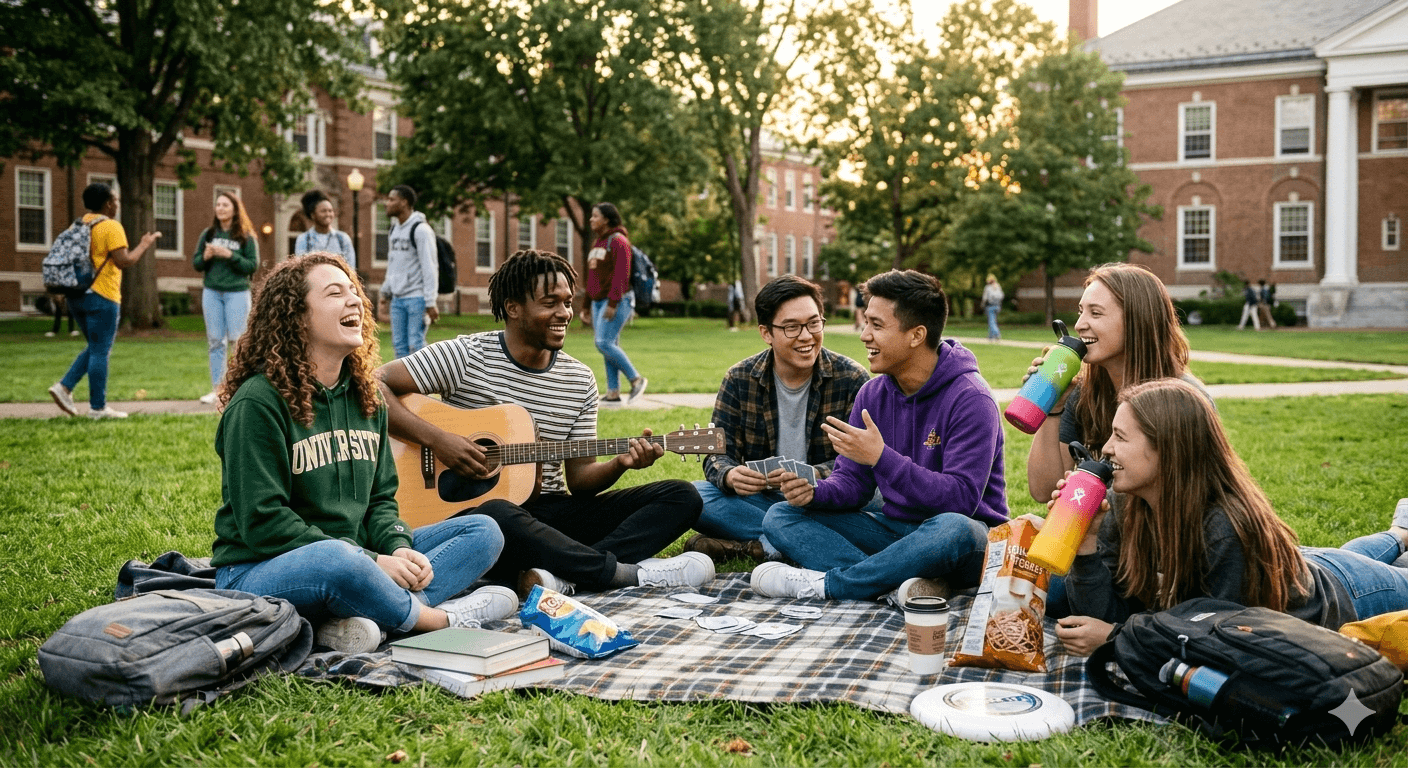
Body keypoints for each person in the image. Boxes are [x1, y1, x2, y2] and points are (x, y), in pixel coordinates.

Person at [210, 253, 513, 655]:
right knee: (337, 558)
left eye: (355, 292)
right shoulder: (258, 403)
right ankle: (434, 620)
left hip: (356, 558)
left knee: (483, 530)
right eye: (335, 293)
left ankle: (359, 621)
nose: (354, 300)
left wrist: (397, 545)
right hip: (257, 572)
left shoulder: (367, 398)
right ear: (296, 316)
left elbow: (381, 500)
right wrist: (370, 560)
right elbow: (263, 522)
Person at [378, 248, 712, 597]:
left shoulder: (580, 380)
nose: (564, 313)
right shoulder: (466, 356)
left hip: (551, 513)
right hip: (478, 517)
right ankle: (609, 572)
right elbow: (373, 384)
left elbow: (580, 481)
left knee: (681, 496)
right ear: (513, 307)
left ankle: (560, 573)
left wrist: (620, 464)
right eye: (550, 302)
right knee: (498, 514)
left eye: (568, 302)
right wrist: (438, 439)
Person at [1045, 378, 1408, 656]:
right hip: (1297, 566)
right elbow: (1105, 613)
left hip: (1348, 594)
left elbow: (1220, 641)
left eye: (1121, 437)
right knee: (1351, 552)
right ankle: (1401, 532)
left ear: (1169, 450)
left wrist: (1115, 638)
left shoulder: (1226, 528)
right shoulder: (1125, 505)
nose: (1106, 448)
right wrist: (1086, 543)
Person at [751, 270, 1008, 603]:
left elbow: (960, 500)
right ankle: (893, 584)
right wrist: (815, 493)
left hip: (965, 544)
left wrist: (881, 457)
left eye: (876, 325)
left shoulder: (971, 398)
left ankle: (834, 585)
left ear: (916, 335)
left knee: (954, 528)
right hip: (897, 532)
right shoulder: (872, 395)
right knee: (781, 516)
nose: (864, 335)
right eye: (866, 323)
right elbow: (853, 486)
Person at [685, 275, 870, 564]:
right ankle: (787, 539)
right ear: (766, 333)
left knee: (874, 504)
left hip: (822, 501)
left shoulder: (851, 378)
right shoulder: (739, 378)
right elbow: (717, 452)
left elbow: (859, 466)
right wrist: (730, 475)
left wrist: (812, 479)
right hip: (762, 502)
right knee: (694, 496)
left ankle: (757, 546)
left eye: (814, 323)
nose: (807, 336)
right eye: (792, 327)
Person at [1025, 263, 1207, 505]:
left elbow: (1182, 499)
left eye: (1096, 313)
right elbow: (1043, 490)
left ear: (1136, 321)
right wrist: (1053, 405)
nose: (1079, 324)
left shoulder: (1182, 398)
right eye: (1081, 311)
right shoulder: (1083, 394)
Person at [47, 183, 159, 419]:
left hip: (76, 296)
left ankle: (64, 388)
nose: (117, 204)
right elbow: (124, 261)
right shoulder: (111, 227)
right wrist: (144, 245)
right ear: (108, 204)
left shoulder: (77, 225)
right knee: (100, 351)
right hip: (103, 295)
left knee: (96, 348)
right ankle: (97, 408)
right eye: (116, 200)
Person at [193, 191, 259, 404]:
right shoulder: (209, 234)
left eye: (225, 205)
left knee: (237, 341)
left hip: (237, 293)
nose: (220, 208)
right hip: (212, 292)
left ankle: (238, 386)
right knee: (215, 341)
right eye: (218, 205)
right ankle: (217, 389)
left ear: (235, 209)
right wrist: (206, 256)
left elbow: (252, 266)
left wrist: (229, 255)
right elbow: (196, 264)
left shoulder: (245, 236)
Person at [583, 202, 647, 405]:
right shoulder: (597, 243)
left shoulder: (619, 241)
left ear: (607, 219)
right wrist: (585, 305)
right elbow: (592, 277)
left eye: (595, 216)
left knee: (603, 343)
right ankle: (613, 392)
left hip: (617, 300)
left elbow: (621, 275)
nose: (591, 219)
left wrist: (613, 303)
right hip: (597, 302)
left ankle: (636, 379)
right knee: (608, 345)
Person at [379, 185, 438, 359]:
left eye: (391, 199)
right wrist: (386, 291)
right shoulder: (394, 229)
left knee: (416, 345)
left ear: (404, 202)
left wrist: (430, 300)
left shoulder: (421, 230)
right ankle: (403, 387)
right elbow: (393, 263)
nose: (386, 203)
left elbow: (430, 266)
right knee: (399, 347)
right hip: (397, 299)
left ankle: (424, 385)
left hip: (417, 298)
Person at [294, 190, 356, 270]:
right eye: (323, 211)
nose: (328, 214)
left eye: (330, 211)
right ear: (313, 215)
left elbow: (351, 269)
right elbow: (301, 268)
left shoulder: (342, 239)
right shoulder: (304, 239)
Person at [982, 274, 1004, 342]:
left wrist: (982, 304)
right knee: (993, 321)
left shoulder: (987, 287)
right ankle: (991, 337)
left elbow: (985, 297)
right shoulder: (998, 286)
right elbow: (1002, 295)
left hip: (990, 306)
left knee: (991, 321)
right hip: (997, 306)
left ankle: (997, 334)